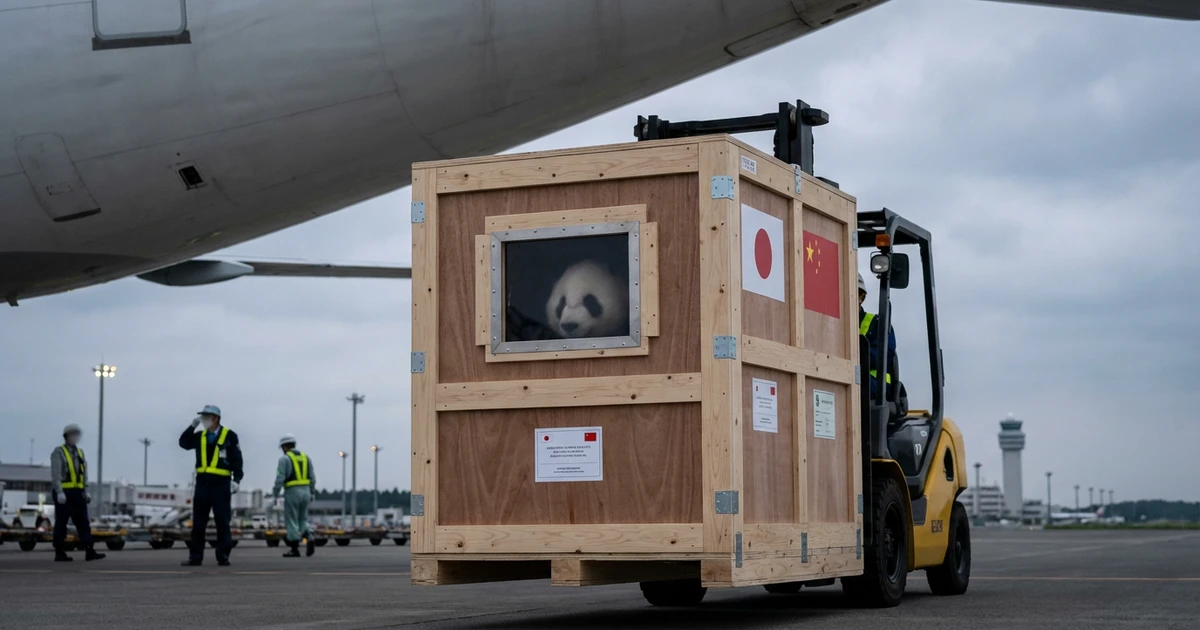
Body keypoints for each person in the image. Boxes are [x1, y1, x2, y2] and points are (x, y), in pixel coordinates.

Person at [178, 405, 243, 566]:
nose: (204, 420)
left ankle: (223, 555)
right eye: (203, 417)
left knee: (222, 521)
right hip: (202, 484)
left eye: (207, 417)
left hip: (221, 485)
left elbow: (237, 458)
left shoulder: (229, 436)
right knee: (198, 522)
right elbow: (184, 443)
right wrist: (192, 426)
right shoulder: (200, 436)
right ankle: (195, 556)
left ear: (216, 419)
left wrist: (237, 479)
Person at [49, 424, 105, 562]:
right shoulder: (59, 452)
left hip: (78, 493)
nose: (76, 437)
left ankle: (89, 550)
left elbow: (83, 474)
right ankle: (59, 552)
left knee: (83, 523)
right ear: (66, 436)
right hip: (65, 493)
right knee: (61, 523)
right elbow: (56, 474)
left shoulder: (80, 453)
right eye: (73, 434)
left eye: (77, 434)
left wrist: (85, 490)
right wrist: (59, 491)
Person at [272, 434, 316, 558]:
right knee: (303, 519)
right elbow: (312, 477)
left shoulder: (284, 459)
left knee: (291, 520)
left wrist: (275, 494)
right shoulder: (306, 457)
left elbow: (280, 478)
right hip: (306, 491)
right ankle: (309, 536)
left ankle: (294, 548)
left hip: (292, 492)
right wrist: (312, 492)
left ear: (284, 446)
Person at [858, 272, 898, 402]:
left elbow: (882, 355)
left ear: (861, 297)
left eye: (852, 293)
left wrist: (851, 354)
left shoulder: (877, 324)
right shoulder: (830, 326)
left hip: (875, 387)